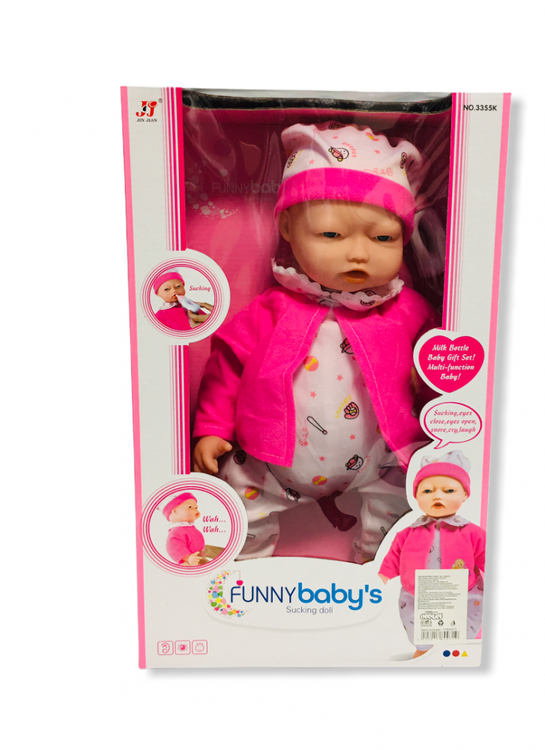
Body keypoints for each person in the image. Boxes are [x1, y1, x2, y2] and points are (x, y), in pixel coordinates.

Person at [193, 121, 437, 562]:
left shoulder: (408, 312)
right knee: (237, 502)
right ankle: (244, 573)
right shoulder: (269, 311)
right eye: (331, 235)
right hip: (269, 460)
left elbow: (435, 370)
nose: (358, 252)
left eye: (383, 238)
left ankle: (377, 566)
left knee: (405, 496)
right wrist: (212, 429)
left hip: (379, 459)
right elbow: (227, 368)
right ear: (288, 227)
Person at [378, 450, 485, 657]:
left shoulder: (472, 532)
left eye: (448, 490)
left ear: (465, 495)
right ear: (416, 496)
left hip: (463, 592)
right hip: (417, 593)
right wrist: (383, 575)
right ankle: (424, 650)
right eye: (427, 491)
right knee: (415, 620)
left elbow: (486, 554)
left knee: (465, 623)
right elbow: (394, 555)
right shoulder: (407, 533)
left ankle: (457, 649)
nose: (437, 496)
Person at [163, 492, 208, 566]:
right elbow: (174, 548)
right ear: (175, 511)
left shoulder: (190, 527)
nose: (196, 511)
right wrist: (188, 557)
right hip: (189, 562)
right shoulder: (176, 532)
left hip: (199, 556)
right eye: (190, 507)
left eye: (196, 508)